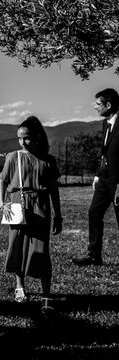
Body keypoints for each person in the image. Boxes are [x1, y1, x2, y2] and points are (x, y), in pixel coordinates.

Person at [0, 116, 62, 314]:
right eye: (19, 138)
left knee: (41, 250)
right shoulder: (12, 157)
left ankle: (46, 294)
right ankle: (20, 286)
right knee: (17, 245)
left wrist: (58, 214)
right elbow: (2, 180)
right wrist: (2, 203)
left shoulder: (48, 160)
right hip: (17, 204)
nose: (22, 142)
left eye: (26, 138)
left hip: (40, 206)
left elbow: (53, 189)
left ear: (36, 137)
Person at [73, 88, 119, 266]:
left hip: (117, 182)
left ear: (108, 105)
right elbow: (105, 153)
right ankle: (94, 256)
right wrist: (97, 175)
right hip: (104, 180)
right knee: (94, 213)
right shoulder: (106, 123)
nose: (95, 107)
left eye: (98, 104)